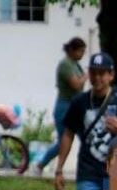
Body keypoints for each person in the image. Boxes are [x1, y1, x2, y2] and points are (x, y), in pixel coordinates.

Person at [53, 52, 117, 190]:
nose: (97, 78)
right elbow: (68, 134)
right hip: (88, 173)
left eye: (102, 73)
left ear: (111, 75)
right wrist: (59, 169)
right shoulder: (79, 102)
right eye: (93, 73)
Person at [36, 37, 87, 174]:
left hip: (76, 107)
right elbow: (76, 84)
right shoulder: (66, 64)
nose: (82, 54)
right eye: (80, 51)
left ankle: (88, 169)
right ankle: (41, 165)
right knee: (63, 142)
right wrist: (86, 77)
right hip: (65, 107)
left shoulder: (75, 64)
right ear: (72, 50)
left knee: (87, 137)